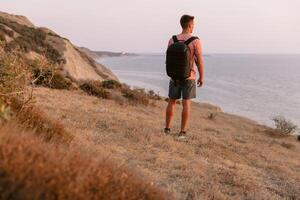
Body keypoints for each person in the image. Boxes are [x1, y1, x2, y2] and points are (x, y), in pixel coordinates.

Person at [164, 14, 204, 139]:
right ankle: (182, 132)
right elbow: (200, 61)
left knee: (172, 102)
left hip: (174, 76)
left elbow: (168, 58)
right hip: (189, 77)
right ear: (190, 25)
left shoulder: (172, 39)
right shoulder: (195, 41)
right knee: (186, 103)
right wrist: (201, 77)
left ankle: (167, 129)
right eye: (193, 25)